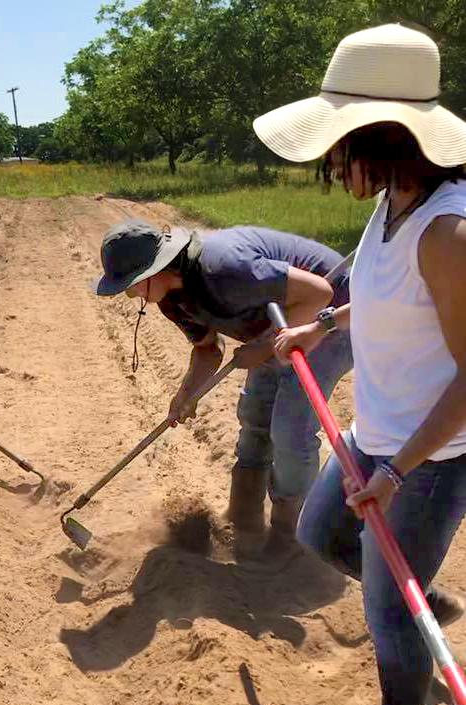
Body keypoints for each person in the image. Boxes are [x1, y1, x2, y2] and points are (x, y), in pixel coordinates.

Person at [254, 24, 466, 704]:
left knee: (386, 622)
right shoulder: (391, 204)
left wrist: (396, 473)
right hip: (373, 435)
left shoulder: (446, 233)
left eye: (339, 149)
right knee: (320, 532)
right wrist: (322, 325)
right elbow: (386, 302)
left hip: (424, 461)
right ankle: (418, 596)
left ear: (381, 137)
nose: (332, 166)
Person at [93, 220, 352, 566]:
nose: (129, 294)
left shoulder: (224, 270)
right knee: (255, 417)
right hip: (276, 324)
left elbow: (320, 293)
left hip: (330, 319)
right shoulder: (171, 299)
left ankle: (291, 539)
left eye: (132, 284)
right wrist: (186, 394)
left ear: (158, 269)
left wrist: (261, 350)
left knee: (290, 427)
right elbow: (207, 350)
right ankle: (244, 520)